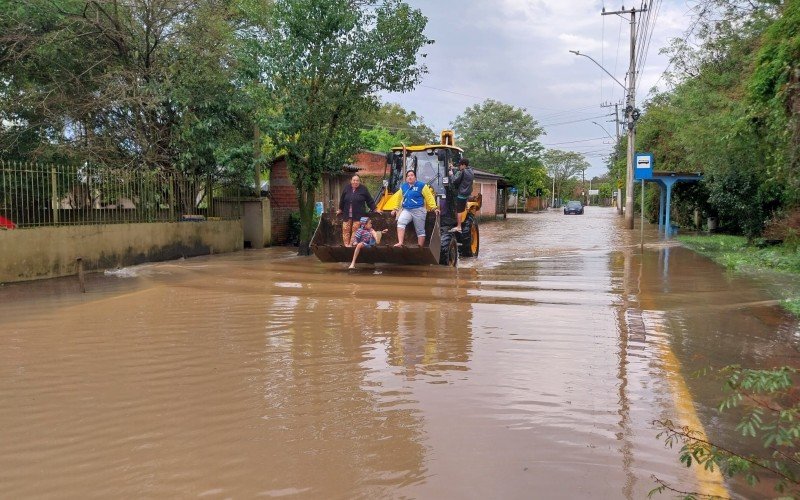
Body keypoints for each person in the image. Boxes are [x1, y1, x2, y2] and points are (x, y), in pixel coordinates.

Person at [384, 169, 439, 247]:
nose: (410, 177)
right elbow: (399, 198)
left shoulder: (422, 185)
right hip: (407, 210)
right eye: (408, 176)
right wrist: (395, 208)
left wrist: (434, 208)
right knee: (400, 222)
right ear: (406, 178)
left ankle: (420, 247)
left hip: (419, 210)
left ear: (415, 177)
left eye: (412, 175)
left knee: (420, 230)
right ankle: (400, 242)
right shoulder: (403, 187)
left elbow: (429, 197)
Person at [337, 174, 376, 247]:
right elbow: (342, 200)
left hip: (358, 214)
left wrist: (375, 209)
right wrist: (340, 209)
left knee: (355, 230)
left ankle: (351, 245)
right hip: (347, 213)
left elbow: (369, 200)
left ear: (359, 181)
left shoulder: (363, 189)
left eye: (357, 180)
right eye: (354, 180)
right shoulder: (346, 188)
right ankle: (346, 245)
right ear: (351, 181)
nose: (355, 182)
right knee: (346, 229)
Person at [448, 158, 474, 233]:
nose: (459, 166)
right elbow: (460, 171)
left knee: (458, 210)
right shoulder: (471, 171)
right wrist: (452, 168)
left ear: (463, 165)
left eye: (460, 165)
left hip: (461, 194)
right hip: (467, 193)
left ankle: (459, 227)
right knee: (461, 208)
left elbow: (455, 181)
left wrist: (451, 174)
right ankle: (460, 222)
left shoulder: (463, 172)